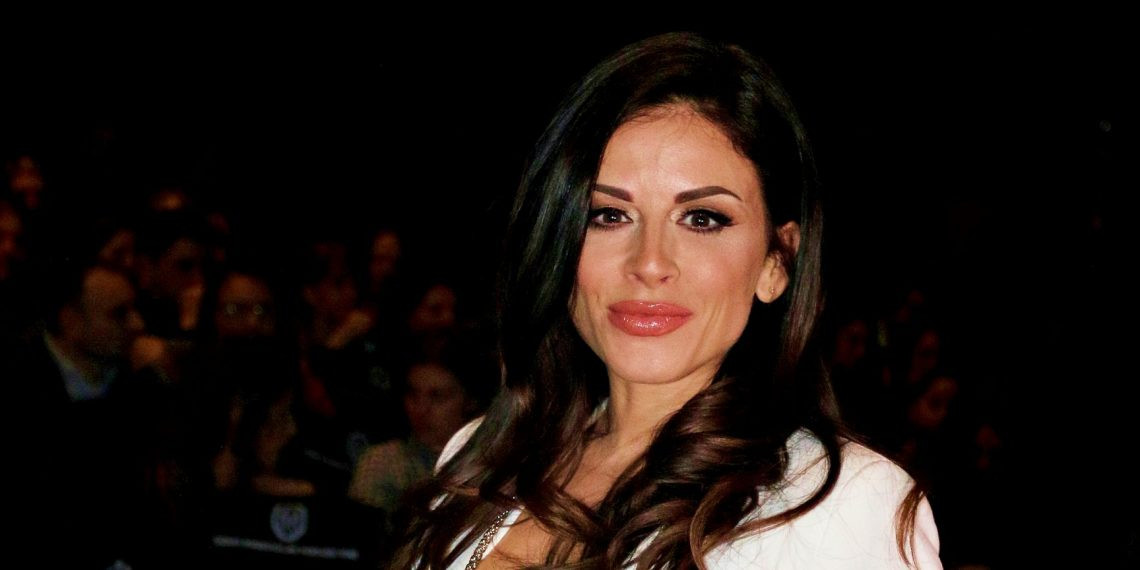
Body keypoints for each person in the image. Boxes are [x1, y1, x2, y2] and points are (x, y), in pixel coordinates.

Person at [392, 32, 941, 569]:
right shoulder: (480, 455)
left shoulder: (839, 504)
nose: (650, 263)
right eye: (609, 215)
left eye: (702, 219)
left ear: (776, 264)